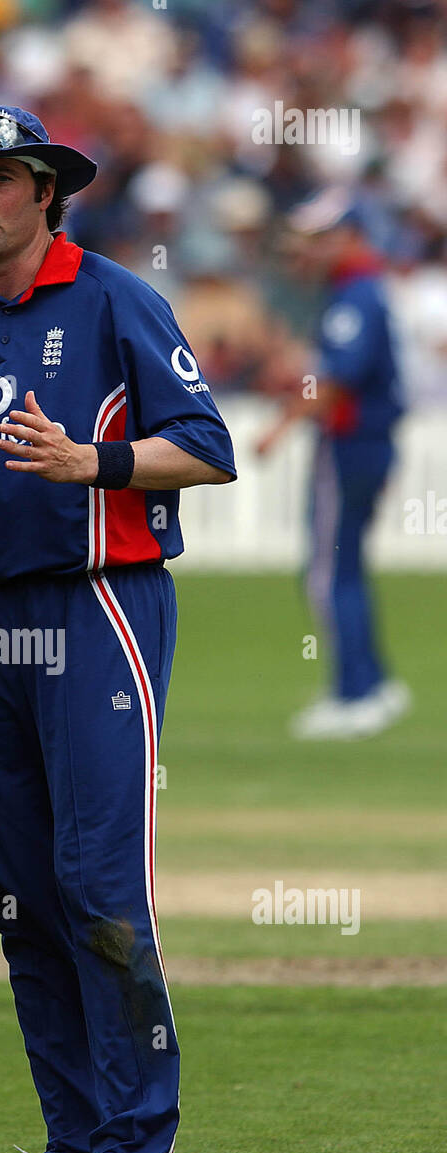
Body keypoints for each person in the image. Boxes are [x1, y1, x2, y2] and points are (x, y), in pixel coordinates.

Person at [0, 106, 236, 1153]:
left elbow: (205, 444)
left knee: (99, 888)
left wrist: (90, 459)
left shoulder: (114, 299)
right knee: (20, 899)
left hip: (100, 608)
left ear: (47, 189)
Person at [256, 187, 411, 739]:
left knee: (328, 572)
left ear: (352, 237)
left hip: (349, 445)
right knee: (344, 567)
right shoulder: (359, 291)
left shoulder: (356, 295)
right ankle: (370, 680)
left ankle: (356, 694)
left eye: (325, 238)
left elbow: (336, 382)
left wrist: (276, 430)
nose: (314, 250)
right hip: (367, 442)